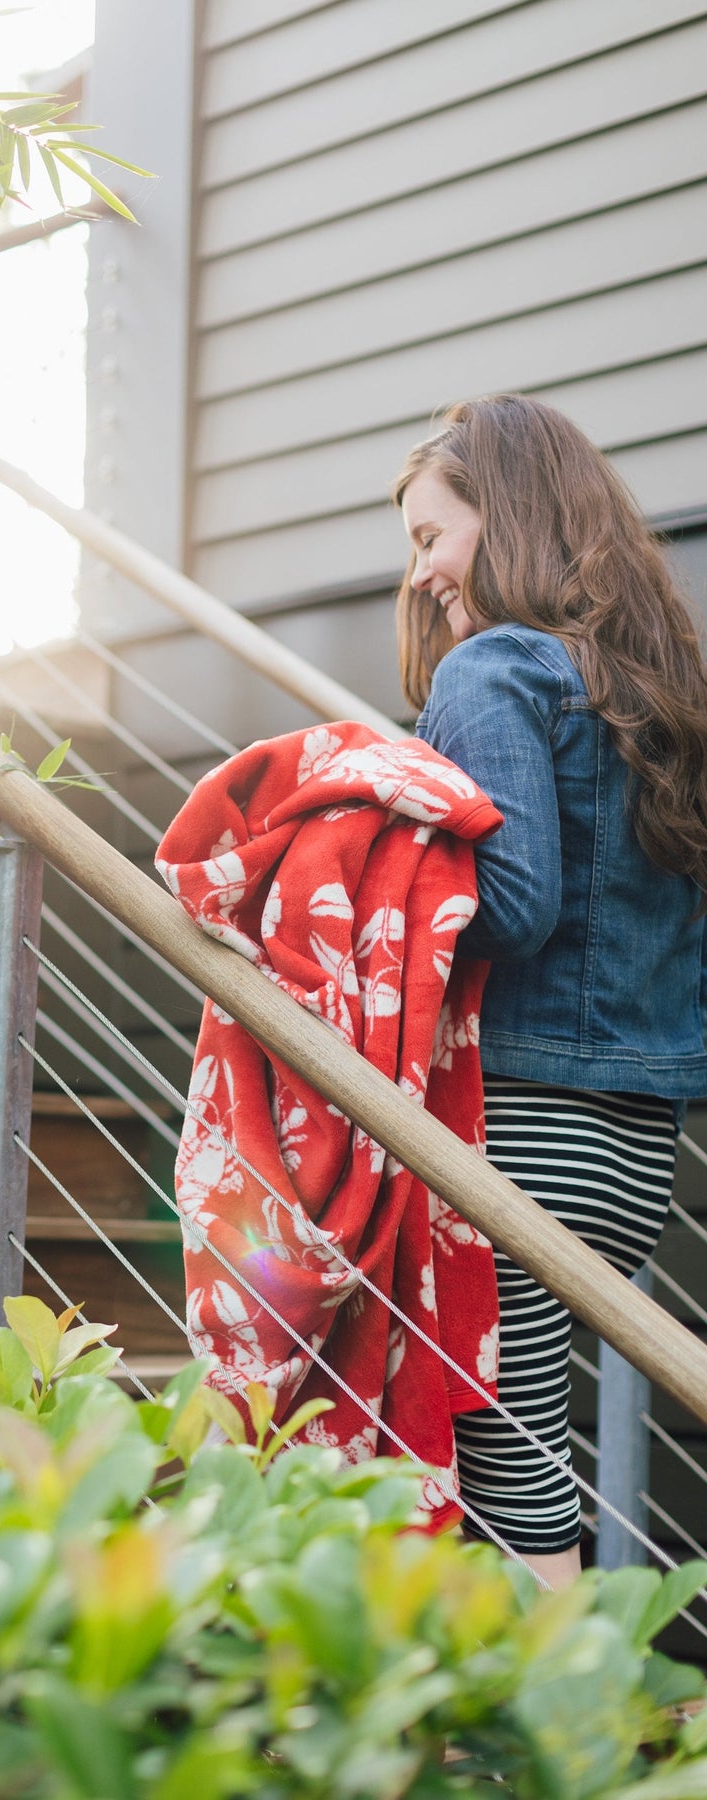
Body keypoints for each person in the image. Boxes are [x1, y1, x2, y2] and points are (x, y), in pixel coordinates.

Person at [394, 393, 707, 1589]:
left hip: (523, 1130)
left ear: (509, 517)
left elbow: (512, 906)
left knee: (499, 1448)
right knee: (520, 1430)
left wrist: (369, 887)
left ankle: (541, 1735)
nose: (421, 574)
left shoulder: (493, 670)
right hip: (633, 1160)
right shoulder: (652, 698)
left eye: (434, 537)